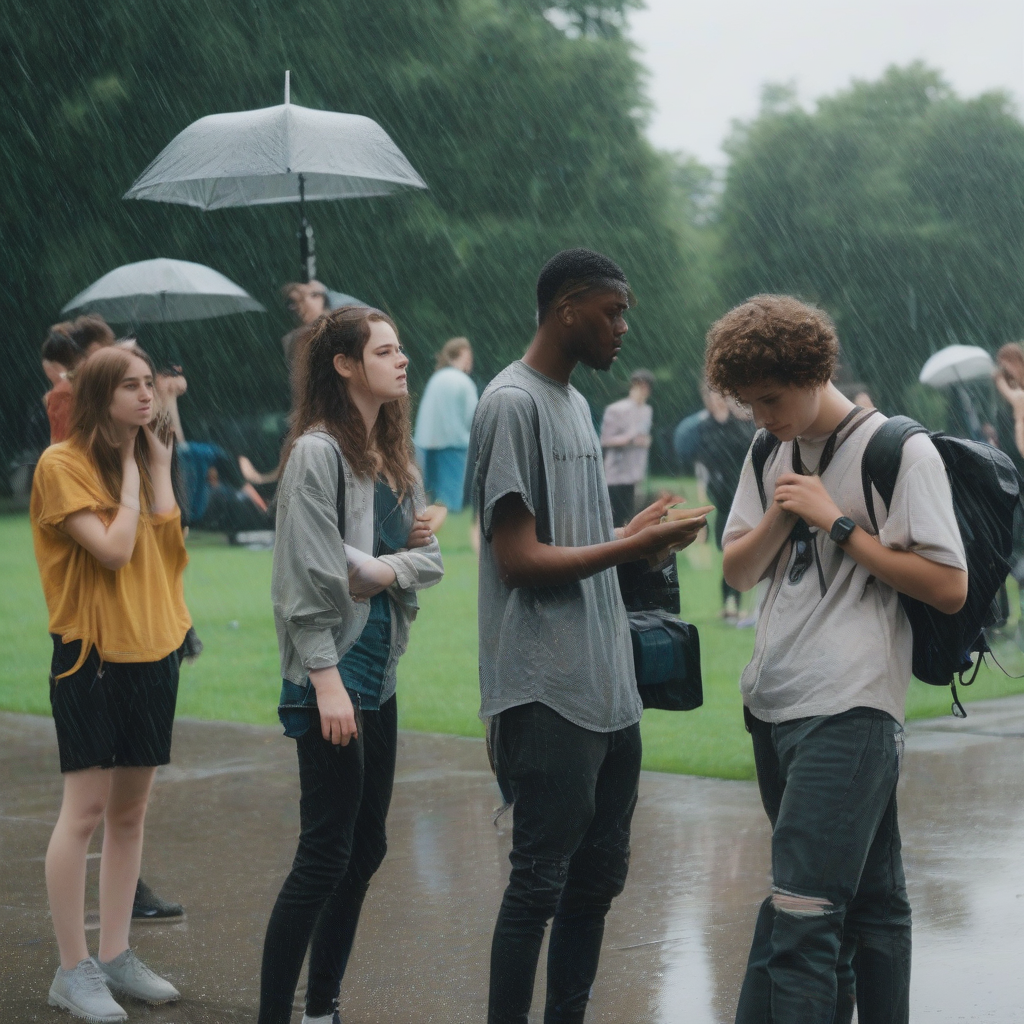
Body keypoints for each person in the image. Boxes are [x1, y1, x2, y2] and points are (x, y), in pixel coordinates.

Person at [707, 294, 968, 1024]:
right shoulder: (768, 450)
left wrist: (839, 522)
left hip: (850, 708)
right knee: (873, 906)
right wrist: (784, 513)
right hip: (773, 704)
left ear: (814, 371)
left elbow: (950, 587)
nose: (761, 415)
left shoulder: (898, 450)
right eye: (748, 402)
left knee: (801, 921)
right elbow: (735, 571)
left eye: (771, 398)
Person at [467, 248, 709, 1024]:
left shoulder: (570, 401)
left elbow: (564, 536)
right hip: (547, 693)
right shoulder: (511, 403)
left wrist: (626, 532)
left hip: (611, 690)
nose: (623, 328)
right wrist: (625, 550)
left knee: (598, 881)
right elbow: (516, 559)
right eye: (612, 311)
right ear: (567, 308)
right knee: (538, 882)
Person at [258, 305, 444, 1024]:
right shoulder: (317, 454)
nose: (403, 361)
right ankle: (282, 1013)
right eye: (387, 351)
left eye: (402, 349)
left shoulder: (395, 459)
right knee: (325, 854)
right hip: (330, 676)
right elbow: (304, 581)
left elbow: (427, 563)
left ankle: (322, 1008)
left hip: (380, 673)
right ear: (343, 364)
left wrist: (379, 567)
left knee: (365, 847)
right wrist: (326, 679)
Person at [30, 345, 192, 1022]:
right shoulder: (60, 465)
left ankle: (118, 952)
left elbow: (167, 548)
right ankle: (75, 970)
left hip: (155, 650)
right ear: (100, 396)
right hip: (91, 657)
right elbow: (116, 549)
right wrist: (131, 468)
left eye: (149, 384)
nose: (146, 395)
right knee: (86, 814)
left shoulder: (153, 457)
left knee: (130, 814)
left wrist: (156, 466)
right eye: (130, 386)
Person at [693, 384, 755, 621]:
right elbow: (704, 460)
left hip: (740, 492)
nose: (718, 401)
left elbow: (746, 446)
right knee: (726, 549)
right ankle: (726, 603)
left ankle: (737, 603)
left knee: (738, 547)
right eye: (714, 397)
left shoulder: (738, 425)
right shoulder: (705, 427)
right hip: (721, 496)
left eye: (722, 397)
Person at [413, 336, 478, 511]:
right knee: (451, 497)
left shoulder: (436, 378)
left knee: (430, 494)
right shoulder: (464, 382)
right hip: (455, 445)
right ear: (461, 357)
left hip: (426, 443)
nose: (470, 362)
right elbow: (472, 417)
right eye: (468, 357)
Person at [42, 316, 117, 444]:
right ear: (79, 360)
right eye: (99, 358)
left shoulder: (112, 389)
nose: (107, 364)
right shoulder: (64, 395)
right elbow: (61, 449)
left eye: (110, 356)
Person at [599, 369, 654, 527]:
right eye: (639, 386)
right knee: (613, 519)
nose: (643, 391)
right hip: (616, 474)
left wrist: (645, 441)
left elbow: (643, 435)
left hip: (634, 473)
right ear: (633, 386)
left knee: (630, 519)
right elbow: (605, 440)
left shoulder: (647, 411)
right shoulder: (616, 409)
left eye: (646, 387)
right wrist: (629, 439)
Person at [281, 280, 329, 364]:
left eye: (300, 299)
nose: (296, 307)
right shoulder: (290, 340)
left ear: (319, 299)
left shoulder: (343, 326)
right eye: (291, 303)